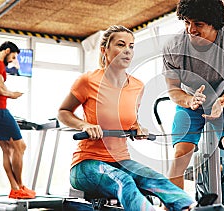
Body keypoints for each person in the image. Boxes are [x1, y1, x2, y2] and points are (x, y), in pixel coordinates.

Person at [58, 25, 195, 211]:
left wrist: (139, 128)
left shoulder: (137, 86)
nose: (127, 51)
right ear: (104, 50)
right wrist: (85, 125)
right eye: (121, 45)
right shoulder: (88, 81)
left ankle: (190, 208)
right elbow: (63, 112)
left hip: (121, 161)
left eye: (131, 46)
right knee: (124, 181)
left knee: (156, 179)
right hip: (86, 164)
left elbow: (130, 120)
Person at [162, 0, 224, 205]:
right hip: (191, 102)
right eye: (187, 22)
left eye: (198, 24)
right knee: (180, 155)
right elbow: (173, 88)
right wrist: (189, 100)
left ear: (214, 23)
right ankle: (175, 207)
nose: (191, 29)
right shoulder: (173, 46)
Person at [0, 41, 36, 199]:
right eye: (13, 56)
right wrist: (13, 94)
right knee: (20, 147)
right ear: (7, 50)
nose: (12, 60)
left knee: (8, 150)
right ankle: (21, 186)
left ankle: (15, 188)